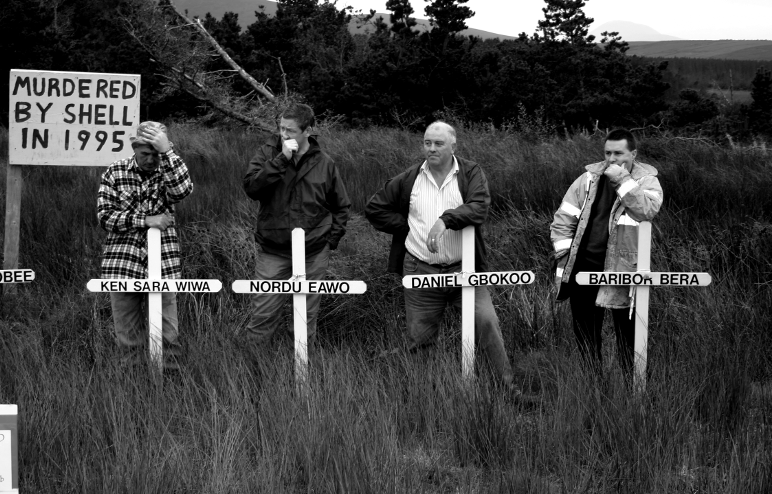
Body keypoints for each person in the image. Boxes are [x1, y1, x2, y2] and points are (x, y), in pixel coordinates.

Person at [365, 121, 518, 393]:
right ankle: (427, 399)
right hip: (420, 269)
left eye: (438, 143)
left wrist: (445, 220)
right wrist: (406, 227)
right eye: (427, 143)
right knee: (420, 339)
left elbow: (479, 207)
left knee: (486, 323)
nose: (431, 148)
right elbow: (374, 208)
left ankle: (507, 391)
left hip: (465, 270)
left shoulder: (470, 173)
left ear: (453, 146)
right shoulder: (409, 178)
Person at [550, 128, 663, 378]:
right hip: (583, 270)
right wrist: (566, 255)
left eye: (619, 153)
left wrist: (622, 180)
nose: (612, 159)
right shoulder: (588, 179)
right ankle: (594, 393)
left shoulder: (647, 181)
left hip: (623, 272)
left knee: (629, 340)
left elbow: (646, 211)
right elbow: (562, 220)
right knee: (587, 338)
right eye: (607, 153)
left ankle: (635, 397)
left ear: (633, 154)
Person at [243, 103, 350, 347]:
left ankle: (302, 378)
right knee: (262, 317)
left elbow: (341, 206)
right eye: (281, 128)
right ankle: (253, 379)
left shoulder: (325, 163)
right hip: (273, 250)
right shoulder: (267, 153)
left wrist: (329, 242)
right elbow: (252, 188)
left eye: (290, 130)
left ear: (308, 131)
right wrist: (281, 160)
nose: (283, 134)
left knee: (304, 321)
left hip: (314, 251)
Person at [97, 121, 194, 370]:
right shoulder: (115, 172)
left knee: (169, 336)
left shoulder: (168, 169)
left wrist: (168, 153)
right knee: (128, 337)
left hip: (163, 264)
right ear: (134, 147)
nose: (151, 160)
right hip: (123, 265)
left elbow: (182, 191)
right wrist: (145, 220)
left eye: (155, 154)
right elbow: (105, 217)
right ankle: (134, 390)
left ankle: (171, 389)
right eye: (145, 154)